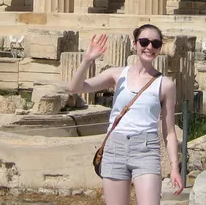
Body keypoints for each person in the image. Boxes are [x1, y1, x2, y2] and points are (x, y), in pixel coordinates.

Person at [67, 26, 183, 204]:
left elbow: (169, 131)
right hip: (115, 147)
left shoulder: (166, 84)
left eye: (155, 43)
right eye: (144, 42)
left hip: (146, 148)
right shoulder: (116, 74)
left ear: (160, 48)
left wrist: (175, 167)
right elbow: (75, 88)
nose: (149, 47)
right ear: (135, 44)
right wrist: (87, 60)